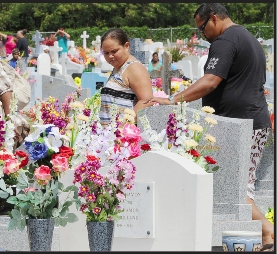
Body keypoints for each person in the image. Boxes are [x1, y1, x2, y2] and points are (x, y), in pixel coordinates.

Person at [148, 4, 274, 250]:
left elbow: (210, 81)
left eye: (203, 28)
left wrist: (173, 100)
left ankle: (269, 231)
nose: (203, 35)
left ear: (214, 19)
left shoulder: (225, 41)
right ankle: (265, 235)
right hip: (249, 121)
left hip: (240, 125)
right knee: (236, 186)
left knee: (232, 189)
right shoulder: (246, 36)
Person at [98, 28, 154, 127]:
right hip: (110, 136)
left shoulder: (134, 68)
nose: (110, 56)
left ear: (126, 46)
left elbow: (147, 101)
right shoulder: (118, 68)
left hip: (122, 137)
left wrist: (123, 127)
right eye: (106, 53)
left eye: (114, 51)